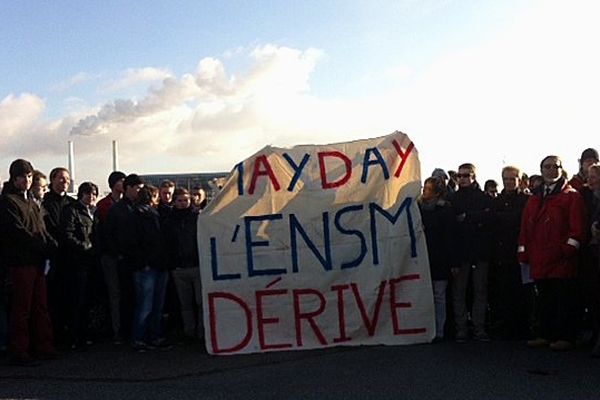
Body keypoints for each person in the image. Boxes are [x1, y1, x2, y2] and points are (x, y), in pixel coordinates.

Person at [519, 156, 586, 351]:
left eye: (554, 166)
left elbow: (577, 230)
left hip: (561, 260)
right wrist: (523, 253)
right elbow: (525, 228)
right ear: (541, 170)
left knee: (564, 300)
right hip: (540, 259)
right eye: (546, 167)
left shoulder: (571, 196)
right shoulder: (534, 198)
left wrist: (567, 251)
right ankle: (545, 334)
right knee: (544, 300)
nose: (550, 170)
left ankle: (566, 336)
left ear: (561, 169)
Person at [0, 159, 57, 366]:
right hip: (21, 262)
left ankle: (44, 346)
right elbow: (17, 232)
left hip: (38, 261)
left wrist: (51, 244)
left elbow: (41, 228)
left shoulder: (32, 201)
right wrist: (41, 244)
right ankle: (20, 350)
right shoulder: (8, 201)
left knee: (40, 306)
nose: (27, 180)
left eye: (29, 176)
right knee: (21, 308)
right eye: (23, 176)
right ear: (13, 178)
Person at [449, 163, 493, 342]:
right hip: (460, 254)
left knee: (480, 291)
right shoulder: (453, 199)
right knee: (459, 291)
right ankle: (461, 328)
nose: (462, 179)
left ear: (473, 176)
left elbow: (490, 218)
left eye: (466, 175)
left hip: (480, 253)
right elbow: (450, 228)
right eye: (459, 176)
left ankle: (479, 327)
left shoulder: (484, 197)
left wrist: (467, 217)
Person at [489, 166, 530, 339]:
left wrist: (501, 217)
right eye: (505, 179)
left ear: (519, 180)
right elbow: (493, 220)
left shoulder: (527, 200)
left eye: (512, 179)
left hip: (520, 252)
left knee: (522, 291)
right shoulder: (497, 201)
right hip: (502, 252)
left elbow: (518, 219)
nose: (508, 182)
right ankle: (507, 326)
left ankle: (522, 326)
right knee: (504, 290)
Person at [105, 173, 144, 341]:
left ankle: (133, 330)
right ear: (128, 188)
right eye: (137, 189)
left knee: (135, 296)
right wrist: (119, 254)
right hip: (123, 259)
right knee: (123, 296)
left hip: (135, 259)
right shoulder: (117, 209)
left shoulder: (138, 207)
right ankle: (123, 331)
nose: (140, 192)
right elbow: (109, 234)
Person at [131, 186, 170, 352]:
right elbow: (135, 242)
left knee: (152, 305)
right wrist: (143, 262)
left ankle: (150, 336)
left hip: (155, 264)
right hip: (150, 265)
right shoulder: (143, 215)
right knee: (148, 305)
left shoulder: (149, 214)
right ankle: (143, 337)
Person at [61, 182, 98, 350]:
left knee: (88, 300)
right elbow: (67, 234)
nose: (91, 197)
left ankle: (86, 334)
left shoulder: (93, 213)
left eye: (94, 194)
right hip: (77, 262)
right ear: (81, 194)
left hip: (91, 263)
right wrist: (84, 247)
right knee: (78, 301)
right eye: (88, 194)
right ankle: (76, 337)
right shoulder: (72, 210)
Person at [163, 188, 203, 342]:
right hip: (179, 268)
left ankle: (202, 332)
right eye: (179, 200)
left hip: (196, 265)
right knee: (185, 304)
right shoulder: (169, 221)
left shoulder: (198, 218)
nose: (182, 203)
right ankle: (189, 332)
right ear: (175, 201)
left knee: (200, 303)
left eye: (185, 200)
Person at [418, 177, 456, 340]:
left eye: (427, 189)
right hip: (423, 257)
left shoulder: (445, 210)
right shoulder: (418, 208)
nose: (424, 192)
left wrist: (454, 262)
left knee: (439, 295)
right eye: (424, 188)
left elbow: (451, 236)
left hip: (440, 258)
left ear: (436, 193)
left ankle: (439, 329)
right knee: (425, 294)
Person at [42, 167, 76, 346]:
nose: (65, 182)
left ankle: (69, 334)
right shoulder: (45, 203)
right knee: (53, 299)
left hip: (70, 258)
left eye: (67, 179)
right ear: (52, 180)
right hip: (54, 258)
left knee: (70, 298)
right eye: (61, 179)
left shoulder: (71, 203)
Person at [95, 171, 126, 343]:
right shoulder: (103, 205)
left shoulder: (127, 204)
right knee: (114, 294)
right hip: (110, 256)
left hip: (124, 256)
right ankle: (116, 330)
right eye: (121, 182)